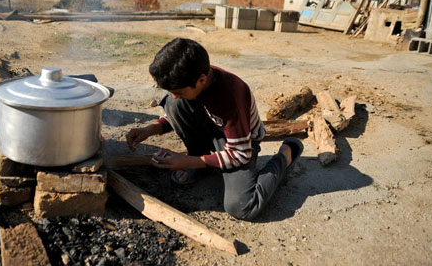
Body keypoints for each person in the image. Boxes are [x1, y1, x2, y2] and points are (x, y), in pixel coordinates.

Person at [125, 38, 303, 221]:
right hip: (214, 128)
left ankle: (286, 154)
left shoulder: (230, 96)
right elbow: (178, 113)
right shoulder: (193, 77)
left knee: (242, 206)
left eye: (179, 91)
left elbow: (240, 154)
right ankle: (202, 162)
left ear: (201, 80)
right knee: (173, 104)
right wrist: (151, 129)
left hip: (241, 144)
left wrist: (187, 162)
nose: (175, 95)